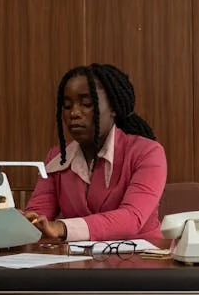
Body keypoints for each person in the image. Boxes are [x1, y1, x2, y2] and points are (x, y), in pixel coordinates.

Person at [23, 63, 167, 243]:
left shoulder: (147, 152)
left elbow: (131, 218)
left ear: (113, 108)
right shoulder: (57, 157)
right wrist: (26, 222)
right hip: (78, 259)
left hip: (139, 256)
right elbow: (38, 214)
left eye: (86, 104)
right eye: (67, 106)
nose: (74, 113)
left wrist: (62, 227)